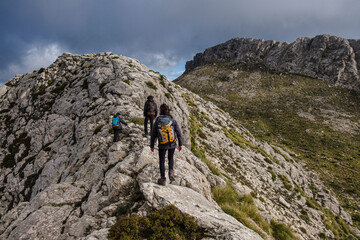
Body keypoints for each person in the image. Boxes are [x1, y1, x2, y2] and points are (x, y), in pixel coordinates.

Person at [150, 104, 182, 186]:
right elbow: (178, 132)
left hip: (162, 144)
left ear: (160, 110)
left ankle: (163, 178)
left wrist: (152, 145)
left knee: (162, 160)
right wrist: (180, 144)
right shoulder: (172, 120)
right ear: (168, 110)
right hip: (172, 143)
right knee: (170, 157)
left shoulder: (158, 121)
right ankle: (171, 172)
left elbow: (153, 134)